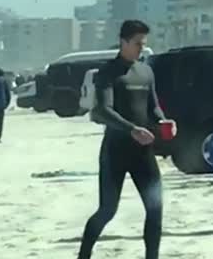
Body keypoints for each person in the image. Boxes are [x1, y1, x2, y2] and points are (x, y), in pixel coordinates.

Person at [77, 20, 176, 259]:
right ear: (123, 42)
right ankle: (83, 256)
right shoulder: (108, 72)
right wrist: (132, 129)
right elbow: (103, 110)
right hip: (115, 152)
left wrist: (164, 121)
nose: (141, 48)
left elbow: (153, 107)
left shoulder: (145, 72)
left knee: (155, 209)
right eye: (137, 43)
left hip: (143, 153)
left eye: (144, 44)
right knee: (108, 210)